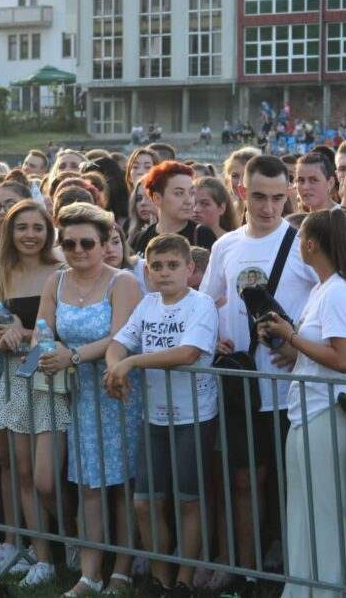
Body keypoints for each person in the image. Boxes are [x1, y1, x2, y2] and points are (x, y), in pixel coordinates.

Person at [199, 155, 318, 591]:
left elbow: (333, 301)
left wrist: (299, 342)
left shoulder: (305, 242)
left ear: (288, 194)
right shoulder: (225, 246)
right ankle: (247, 571)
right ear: (242, 193)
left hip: (291, 388)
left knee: (290, 486)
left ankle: (290, 571)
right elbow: (205, 303)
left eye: (278, 197)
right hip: (241, 385)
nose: (269, 207)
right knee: (245, 480)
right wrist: (211, 339)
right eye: (260, 197)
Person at [256, 209, 346, 598]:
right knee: (304, 509)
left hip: (328, 411)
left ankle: (331, 590)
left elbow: (342, 358)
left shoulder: (339, 291)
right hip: (307, 409)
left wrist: (291, 335)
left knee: (326, 510)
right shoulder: (325, 288)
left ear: (310, 244)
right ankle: (304, 589)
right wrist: (282, 339)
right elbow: (314, 351)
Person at [34, 202, 143, 597]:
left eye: (87, 243)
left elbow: (120, 337)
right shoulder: (56, 281)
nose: (78, 251)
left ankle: (123, 570)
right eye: (69, 243)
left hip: (116, 391)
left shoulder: (124, 282)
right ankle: (89, 573)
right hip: (77, 395)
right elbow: (42, 330)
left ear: (104, 244)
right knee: (89, 485)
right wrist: (42, 350)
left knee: (122, 486)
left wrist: (73, 355)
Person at [105, 234, 219, 595]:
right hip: (154, 417)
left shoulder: (201, 305)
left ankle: (183, 581)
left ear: (190, 269)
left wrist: (132, 362)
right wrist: (114, 367)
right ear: (148, 271)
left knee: (189, 500)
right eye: (156, 266)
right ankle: (160, 576)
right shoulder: (148, 304)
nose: (164, 272)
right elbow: (117, 343)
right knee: (145, 502)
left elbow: (187, 353)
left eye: (173, 265)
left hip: (194, 417)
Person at [0, 200, 67, 587]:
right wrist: (3, 341)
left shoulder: (61, 271)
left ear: (48, 232)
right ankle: (41, 556)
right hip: (15, 377)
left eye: (38, 227)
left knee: (47, 477)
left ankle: (73, 538)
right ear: (11, 232)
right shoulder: (2, 270)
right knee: (21, 470)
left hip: (50, 379)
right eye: (22, 227)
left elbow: (66, 332)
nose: (30, 235)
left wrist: (26, 334)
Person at [131, 161, 216, 256]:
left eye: (191, 193)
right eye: (179, 193)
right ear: (157, 198)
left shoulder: (202, 235)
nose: (189, 201)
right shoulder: (141, 238)